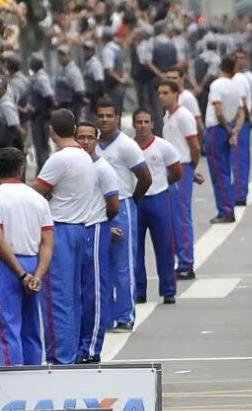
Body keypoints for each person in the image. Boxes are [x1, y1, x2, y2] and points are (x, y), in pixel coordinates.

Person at [29, 109, 101, 365]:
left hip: (60, 229)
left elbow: (36, 191)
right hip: (80, 228)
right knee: (71, 298)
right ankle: (69, 352)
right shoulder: (84, 157)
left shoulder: (59, 159)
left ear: (51, 130)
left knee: (55, 298)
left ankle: (60, 357)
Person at [0, 147, 53, 367]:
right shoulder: (37, 199)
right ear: (22, 168)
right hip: (34, 263)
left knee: (9, 329)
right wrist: (37, 276)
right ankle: (34, 378)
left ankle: (13, 381)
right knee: (32, 328)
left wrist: (21, 275)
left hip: (7, 265)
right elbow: (47, 242)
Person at [95, 102, 152, 331]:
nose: (105, 120)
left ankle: (125, 316)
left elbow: (145, 178)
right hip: (98, 209)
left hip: (124, 204)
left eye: (110, 115)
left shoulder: (126, 145)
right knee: (102, 266)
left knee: (123, 264)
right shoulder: (93, 147)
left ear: (117, 118)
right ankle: (106, 317)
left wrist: (132, 200)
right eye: (101, 115)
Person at [75, 120, 121, 363]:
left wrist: (101, 223)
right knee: (75, 293)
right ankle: (75, 345)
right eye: (80, 137)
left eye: (89, 138)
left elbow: (113, 206)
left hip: (94, 230)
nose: (84, 142)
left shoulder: (102, 169)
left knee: (94, 291)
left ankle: (90, 349)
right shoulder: (70, 165)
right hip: (73, 232)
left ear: (96, 140)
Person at [132, 109, 183, 305]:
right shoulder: (129, 147)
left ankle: (168, 290)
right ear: (134, 125)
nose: (143, 125)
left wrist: (161, 184)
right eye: (139, 122)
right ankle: (139, 291)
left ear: (152, 124)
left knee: (164, 246)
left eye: (146, 122)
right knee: (135, 249)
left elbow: (177, 171)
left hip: (158, 199)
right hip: (137, 200)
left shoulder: (163, 147)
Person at [160, 78, 203, 275]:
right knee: (171, 217)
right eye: (160, 93)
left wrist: (191, 168)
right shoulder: (167, 117)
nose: (162, 97)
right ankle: (180, 259)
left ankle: (187, 262)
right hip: (169, 168)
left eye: (166, 92)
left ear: (176, 93)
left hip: (182, 167)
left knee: (181, 215)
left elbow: (194, 146)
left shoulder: (184, 116)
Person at [204, 56, 243, 225]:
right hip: (229, 126)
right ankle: (228, 207)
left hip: (216, 129)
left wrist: (227, 130)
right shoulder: (235, 85)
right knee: (226, 171)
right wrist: (235, 130)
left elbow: (218, 111)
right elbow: (241, 111)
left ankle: (225, 210)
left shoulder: (217, 85)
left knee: (218, 173)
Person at [231, 51, 252, 205]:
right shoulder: (235, 78)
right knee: (237, 159)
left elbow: (249, 100)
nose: (239, 61)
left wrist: (249, 117)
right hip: (238, 119)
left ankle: (239, 194)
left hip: (239, 120)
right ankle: (239, 192)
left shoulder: (243, 78)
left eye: (242, 58)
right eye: (236, 58)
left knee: (239, 159)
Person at [27, 55, 56, 168]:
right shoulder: (37, 77)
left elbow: (49, 95)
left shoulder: (41, 78)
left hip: (41, 117)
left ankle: (43, 170)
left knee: (42, 146)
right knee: (39, 146)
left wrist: (48, 111)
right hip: (38, 116)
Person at [0, 74, 23, 152]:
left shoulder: (6, 105)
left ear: (4, 90)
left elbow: (16, 128)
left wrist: (22, 147)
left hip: (8, 146)